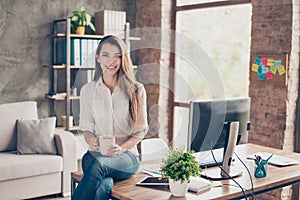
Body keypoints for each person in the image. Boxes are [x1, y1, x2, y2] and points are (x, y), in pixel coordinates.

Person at [72, 35, 148, 200]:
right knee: (103, 187)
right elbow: (86, 127)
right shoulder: (88, 90)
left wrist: (122, 148)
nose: (111, 61)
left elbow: (140, 131)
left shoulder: (136, 90)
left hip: (127, 158)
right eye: (106, 55)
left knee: (99, 167)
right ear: (98, 57)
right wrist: (91, 140)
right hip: (95, 155)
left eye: (117, 56)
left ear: (122, 59)